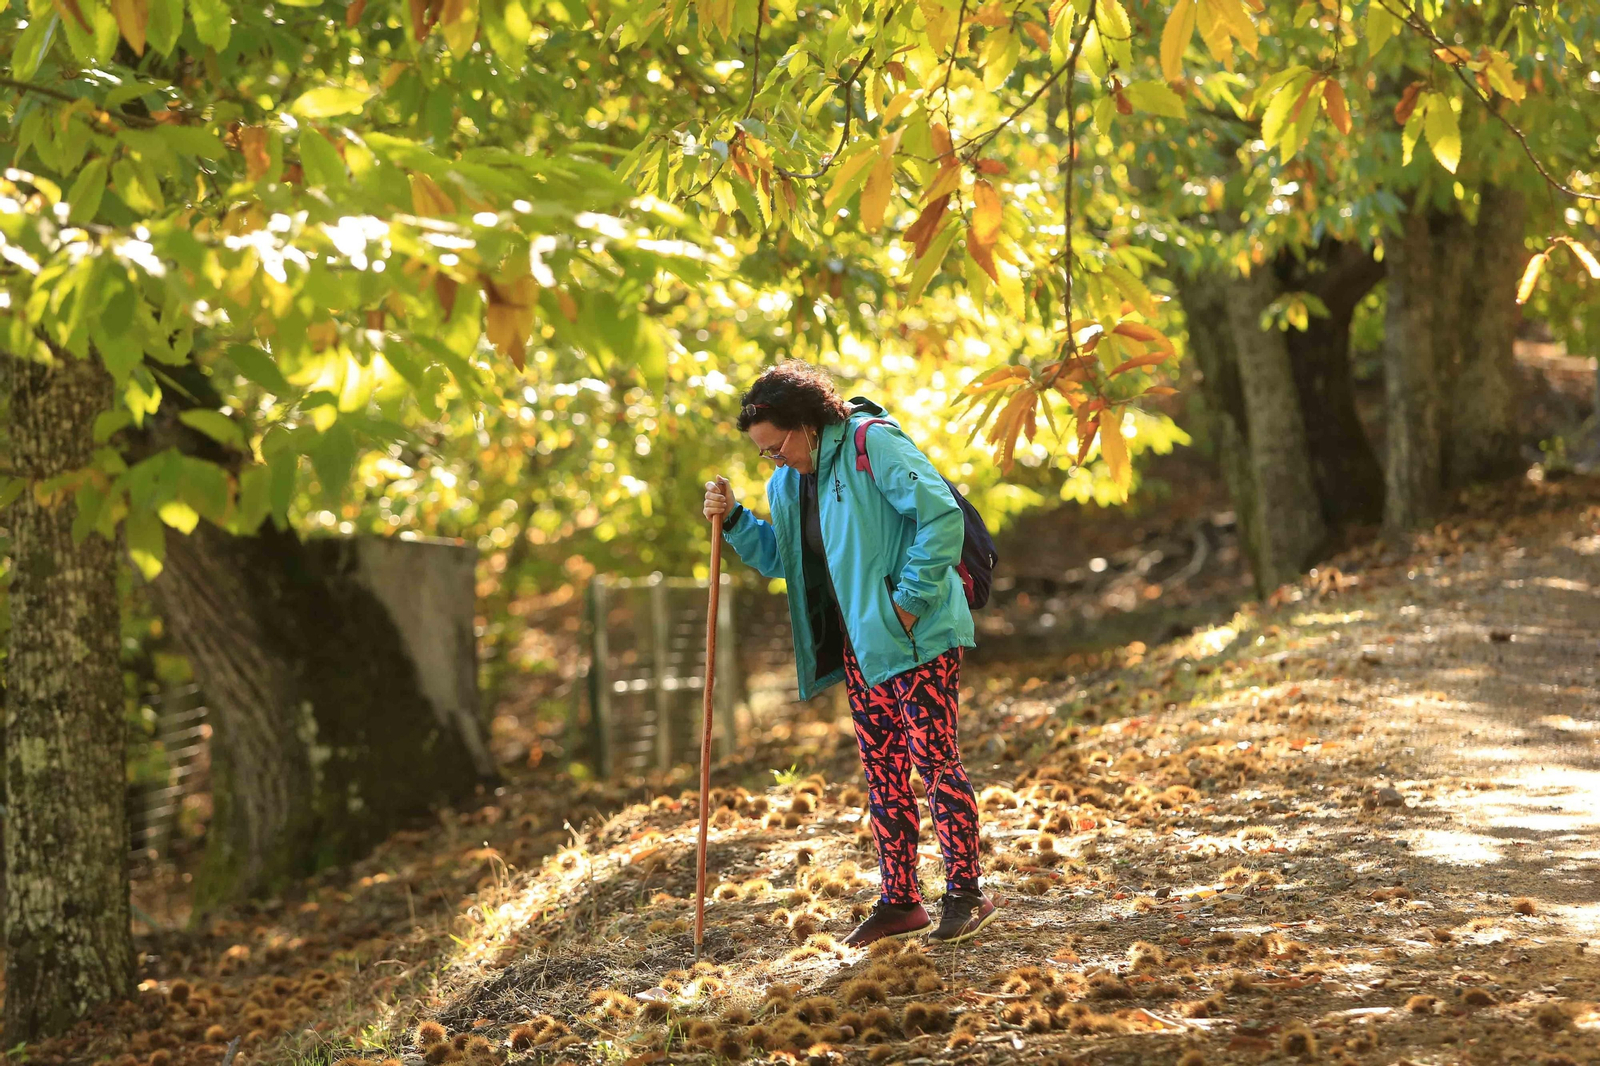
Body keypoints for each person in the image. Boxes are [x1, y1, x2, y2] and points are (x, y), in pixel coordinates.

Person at [702, 361, 998, 947]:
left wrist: (908, 603)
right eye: (765, 454)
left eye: (776, 447)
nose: (774, 461)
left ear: (808, 424)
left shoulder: (872, 443)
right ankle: (900, 901)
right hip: (861, 646)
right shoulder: (788, 483)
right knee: (884, 774)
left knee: (935, 763)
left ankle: (967, 891)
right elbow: (786, 559)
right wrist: (735, 520)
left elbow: (937, 516)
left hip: (918, 636)